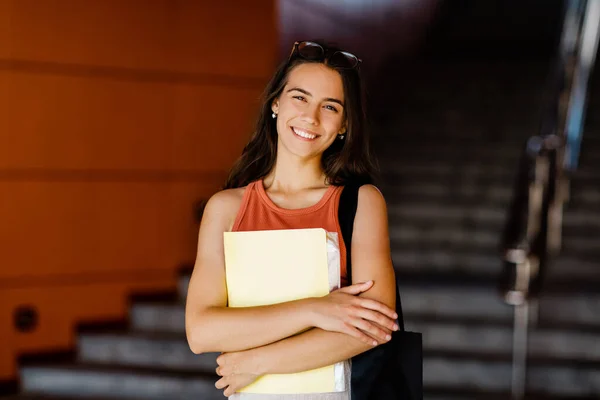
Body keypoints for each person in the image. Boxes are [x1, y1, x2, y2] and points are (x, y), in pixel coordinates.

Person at [185, 40, 398, 398]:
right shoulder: (225, 209)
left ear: (345, 124)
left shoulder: (361, 203)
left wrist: (254, 362)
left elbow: (374, 326)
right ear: (275, 103)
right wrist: (316, 309)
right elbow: (202, 331)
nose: (311, 118)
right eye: (300, 97)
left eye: (330, 106)